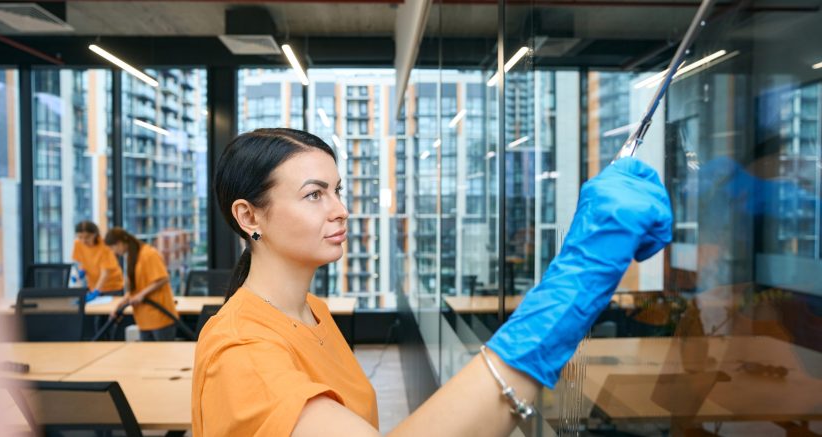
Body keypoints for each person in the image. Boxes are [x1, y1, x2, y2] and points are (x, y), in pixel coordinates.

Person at [192, 128, 673, 436]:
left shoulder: (312, 311)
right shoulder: (242, 350)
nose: (340, 209)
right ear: (248, 215)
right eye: (314, 194)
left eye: (337, 190)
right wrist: (569, 290)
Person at [104, 228, 179, 341]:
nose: (113, 252)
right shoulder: (131, 257)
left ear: (119, 243)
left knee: (162, 357)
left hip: (160, 317)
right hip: (143, 320)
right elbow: (136, 287)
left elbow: (163, 278)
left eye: (112, 248)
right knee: (147, 357)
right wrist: (122, 303)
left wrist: (141, 295)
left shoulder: (148, 254)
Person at [72, 221, 125, 298]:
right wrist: (81, 271)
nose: (83, 240)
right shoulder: (78, 244)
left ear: (95, 234)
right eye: (80, 237)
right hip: (93, 286)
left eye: (87, 237)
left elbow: (105, 273)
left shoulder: (105, 246)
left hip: (112, 287)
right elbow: (81, 261)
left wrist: (96, 291)